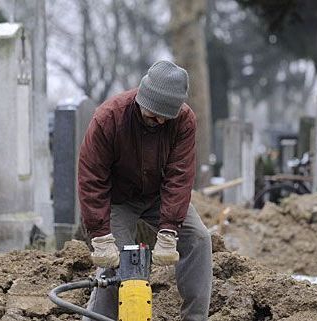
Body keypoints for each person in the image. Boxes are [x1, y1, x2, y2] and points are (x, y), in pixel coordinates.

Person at [78, 60, 212, 321]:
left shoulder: (184, 121)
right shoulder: (109, 118)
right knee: (114, 262)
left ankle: (195, 318)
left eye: (166, 116)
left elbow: (179, 176)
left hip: (158, 195)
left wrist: (169, 229)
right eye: (153, 114)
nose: (160, 120)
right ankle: (101, 319)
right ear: (142, 99)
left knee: (199, 239)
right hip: (117, 199)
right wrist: (101, 235)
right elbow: (91, 178)